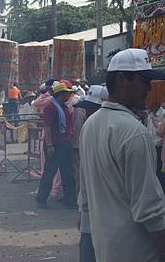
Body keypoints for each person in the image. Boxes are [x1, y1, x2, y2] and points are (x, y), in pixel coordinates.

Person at [79, 48, 165, 262]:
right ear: (121, 80)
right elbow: (149, 209)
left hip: (106, 249)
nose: (148, 87)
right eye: (143, 80)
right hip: (138, 251)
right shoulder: (134, 132)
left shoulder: (91, 124)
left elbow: (85, 198)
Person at [74, 85, 109, 262]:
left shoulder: (112, 128)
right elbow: (84, 171)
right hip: (91, 204)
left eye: (91, 108)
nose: (87, 113)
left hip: (106, 208)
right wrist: (81, 207)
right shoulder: (88, 128)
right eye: (86, 109)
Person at [36, 82, 77, 209]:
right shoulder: (51, 107)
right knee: (50, 172)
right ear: (61, 94)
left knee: (67, 173)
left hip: (63, 142)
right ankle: (42, 198)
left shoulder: (61, 106)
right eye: (67, 93)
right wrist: (49, 145)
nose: (69, 95)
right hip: (55, 144)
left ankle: (69, 199)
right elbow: (47, 127)